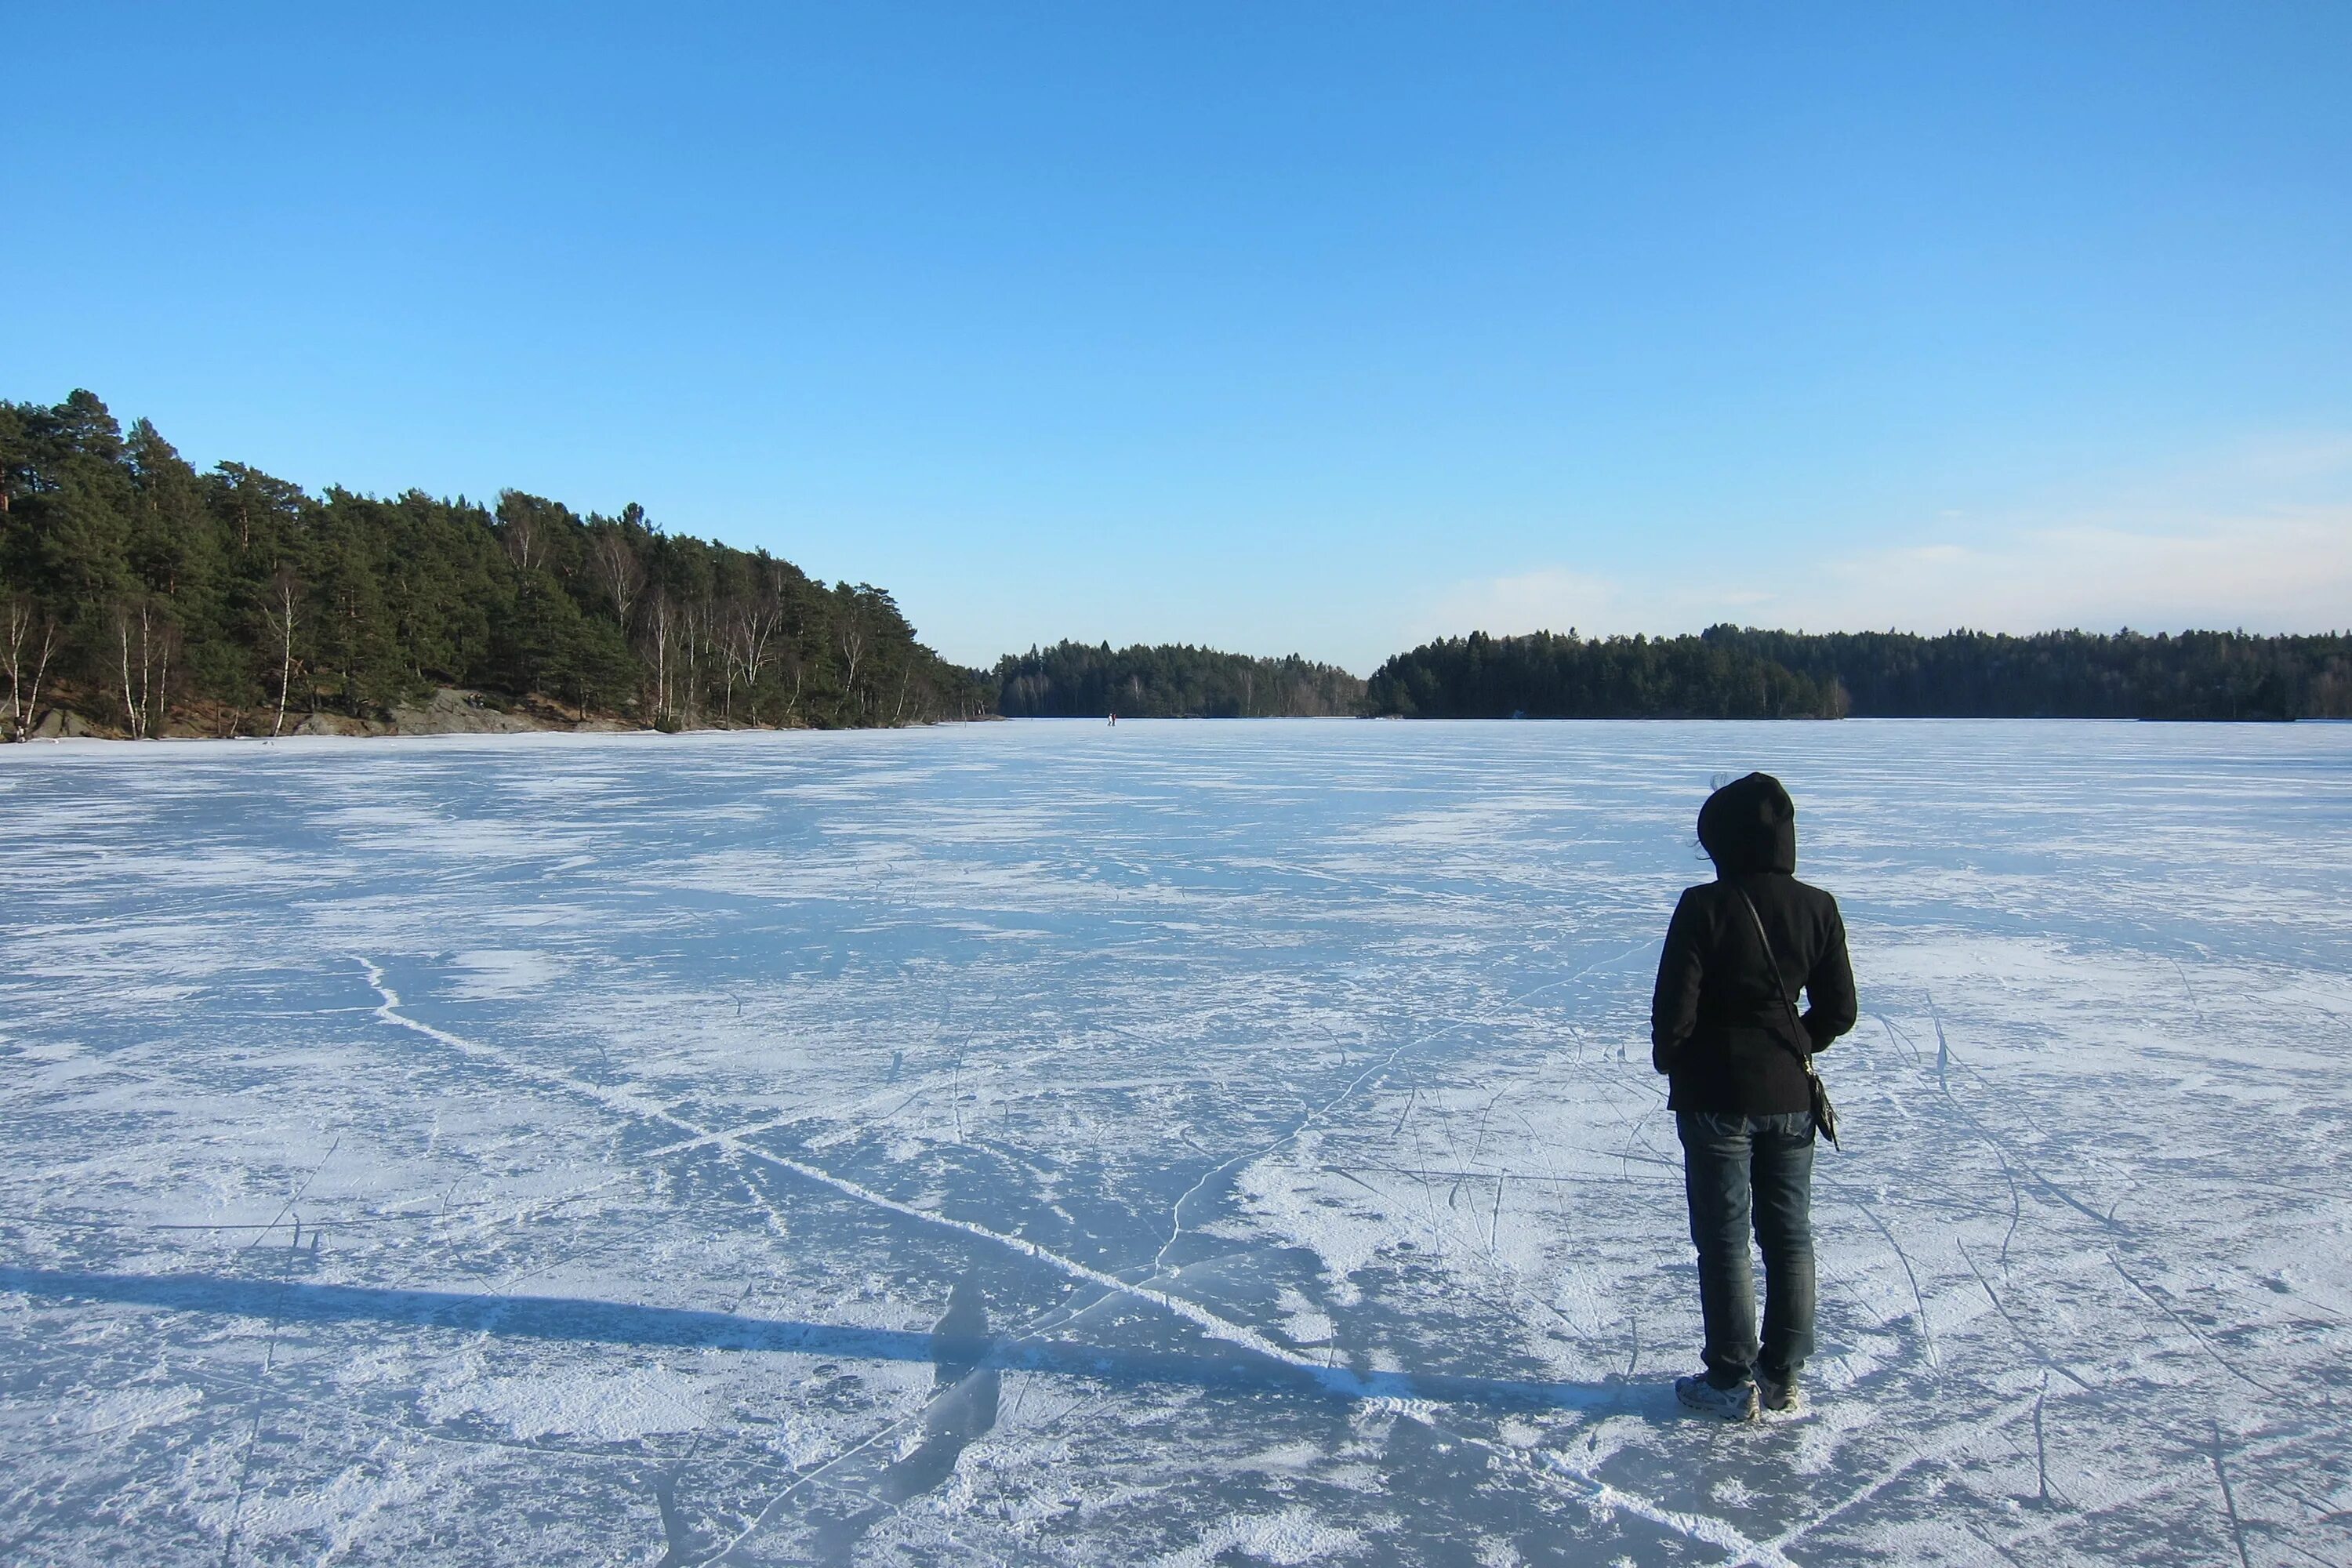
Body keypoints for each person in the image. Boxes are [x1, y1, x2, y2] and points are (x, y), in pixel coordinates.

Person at [1650, 771, 1855, 1419]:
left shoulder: (1703, 907)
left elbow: (1674, 1010)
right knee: (1790, 1234)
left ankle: (1731, 1378)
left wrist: (1675, 1059)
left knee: (1724, 1238)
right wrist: (1795, 1043)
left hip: (1714, 1093)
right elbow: (1840, 1010)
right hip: (1790, 1092)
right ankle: (1783, 1375)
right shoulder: (1817, 906)